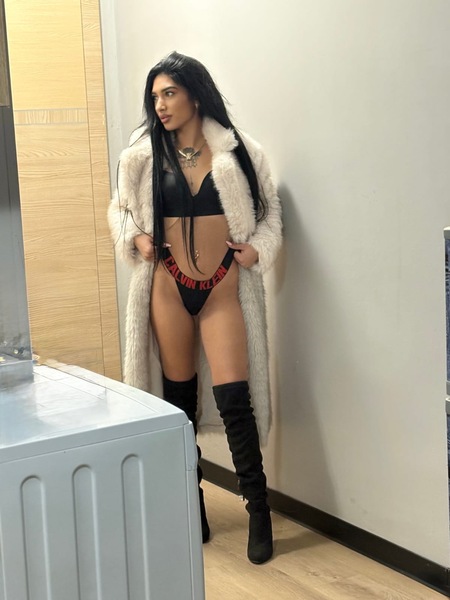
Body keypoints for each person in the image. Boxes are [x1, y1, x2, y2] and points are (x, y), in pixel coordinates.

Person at [108, 51, 282, 564]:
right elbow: (120, 210)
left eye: (170, 93)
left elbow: (270, 211)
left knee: (234, 399)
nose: (161, 105)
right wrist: (135, 237)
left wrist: (258, 249)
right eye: (155, 96)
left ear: (195, 95)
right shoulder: (140, 155)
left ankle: (259, 511)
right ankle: (192, 503)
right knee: (179, 404)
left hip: (222, 288)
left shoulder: (239, 151)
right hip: (167, 286)